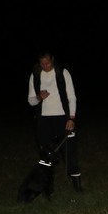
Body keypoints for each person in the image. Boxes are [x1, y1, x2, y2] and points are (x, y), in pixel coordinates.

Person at [27, 51, 82, 193]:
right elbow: (31, 101)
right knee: (45, 153)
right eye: (42, 64)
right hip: (43, 120)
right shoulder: (35, 75)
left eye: (47, 63)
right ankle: (45, 184)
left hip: (63, 118)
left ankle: (77, 185)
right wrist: (39, 97)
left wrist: (71, 118)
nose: (45, 66)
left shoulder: (63, 73)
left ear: (52, 60)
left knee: (69, 151)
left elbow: (72, 97)